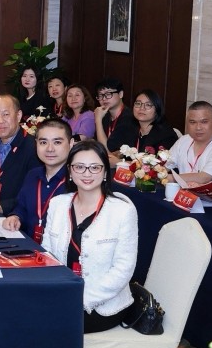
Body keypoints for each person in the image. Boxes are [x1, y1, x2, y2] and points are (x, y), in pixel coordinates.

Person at [42, 140, 141, 333]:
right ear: (70, 171)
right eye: (79, 167)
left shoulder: (122, 210)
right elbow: (47, 255)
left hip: (103, 304)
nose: (87, 174)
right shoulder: (57, 204)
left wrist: (80, 299)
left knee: (44, 324)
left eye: (95, 167)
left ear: (105, 172)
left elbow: (123, 269)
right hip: (62, 294)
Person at [3, 117, 73, 243]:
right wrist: (15, 216)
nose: (50, 149)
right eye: (43, 142)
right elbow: (21, 207)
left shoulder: (77, 181)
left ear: (71, 143)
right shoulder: (32, 175)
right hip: (28, 245)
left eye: (57, 142)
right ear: (36, 144)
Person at [165, 101, 212, 185]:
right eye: (192, 122)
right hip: (183, 192)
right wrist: (156, 171)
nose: (198, 127)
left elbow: (204, 178)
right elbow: (164, 166)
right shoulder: (184, 140)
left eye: (204, 122)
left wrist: (164, 177)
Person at [107, 89, 178, 162]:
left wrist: (119, 162)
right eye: (138, 103)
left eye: (148, 105)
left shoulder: (166, 135)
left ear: (157, 110)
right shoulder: (129, 128)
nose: (141, 108)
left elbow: (157, 166)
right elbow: (111, 149)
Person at [94, 77, 138, 153]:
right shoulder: (105, 116)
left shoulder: (129, 118)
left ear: (121, 94)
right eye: (100, 95)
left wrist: (98, 120)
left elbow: (106, 151)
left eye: (108, 94)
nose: (104, 99)